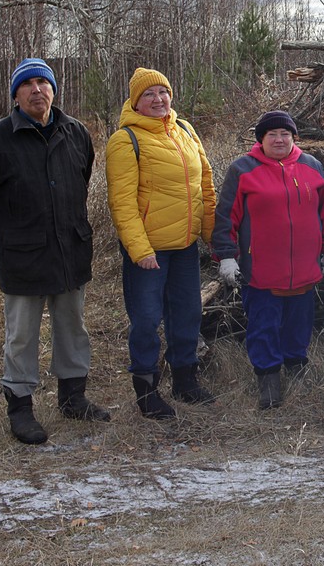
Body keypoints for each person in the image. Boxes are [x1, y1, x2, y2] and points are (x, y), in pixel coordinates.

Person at [0, 58, 110, 445]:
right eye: (27, 84)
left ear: (54, 90)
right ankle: (20, 408)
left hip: (70, 251)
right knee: (22, 335)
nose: (36, 90)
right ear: (16, 95)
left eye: (43, 82)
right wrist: (9, 228)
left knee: (72, 328)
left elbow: (83, 175)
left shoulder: (76, 132)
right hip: (22, 256)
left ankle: (73, 398)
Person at [106, 68, 217, 419]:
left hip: (184, 246)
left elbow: (206, 187)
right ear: (135, 102)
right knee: (147, 319)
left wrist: (214, 239)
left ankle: (185, 380)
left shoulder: (184, 130)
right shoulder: (126, 140)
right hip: (149, 252)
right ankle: (147, 391)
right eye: (149, 94)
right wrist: (140, 251)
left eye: (163, 92)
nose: (158, 99)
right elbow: (121, 203)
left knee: (187, 314)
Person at [213, 111, 324, 409]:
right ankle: (268, 379)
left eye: (285, 134)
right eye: (272, 135)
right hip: (261, 271)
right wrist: (227, 257)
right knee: (264, 326)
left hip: (304, 269)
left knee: (299, 324)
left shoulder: (311, 166)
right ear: (261, 139)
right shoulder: (242, 169)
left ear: (294, 137)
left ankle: (297, 368)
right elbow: (225, 217)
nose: (279, 139)